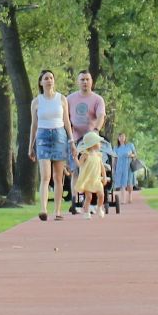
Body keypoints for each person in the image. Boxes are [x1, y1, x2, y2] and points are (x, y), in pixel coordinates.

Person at [29, 69, 72, 220]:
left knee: (58, 176)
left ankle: (58, 211)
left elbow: (67, 121)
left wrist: (71, 141)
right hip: (43, 137)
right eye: (46, 78)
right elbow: (34, 125)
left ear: (54, 81)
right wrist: (30, 145)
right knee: (45, 176)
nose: (49, 80)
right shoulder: (36, 101)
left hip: (59, 136)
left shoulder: (62, 99)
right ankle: (43, 209)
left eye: (51, 78)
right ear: (41, 82)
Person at [65, 71, 106, 213]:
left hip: (91, 140)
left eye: (87, 79)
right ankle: (75, 201)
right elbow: (65, 117)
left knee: (92, 169)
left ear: (91, 82)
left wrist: (96, 130)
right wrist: (69, 133)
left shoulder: (98, 99)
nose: (85, 82)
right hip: (75, 138)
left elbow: (101, 116)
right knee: (76, 170)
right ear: (78, 82)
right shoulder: (70, 99)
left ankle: (92, 202)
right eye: (82, 79)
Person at [73, 129, 106, 218]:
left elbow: (102, 167)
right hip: (88, 180)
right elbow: (80, 165)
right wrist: (75, 158)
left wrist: (104, 177)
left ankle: (99, 208)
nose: (100, 144)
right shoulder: (85, 155)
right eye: (98, 142)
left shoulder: (98, 155)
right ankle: (86, 212)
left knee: (101, 195)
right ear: (93, 144)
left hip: (97, 179)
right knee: (89, 197)